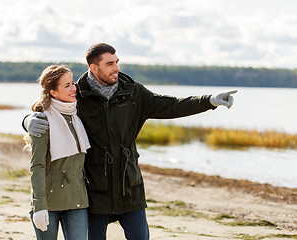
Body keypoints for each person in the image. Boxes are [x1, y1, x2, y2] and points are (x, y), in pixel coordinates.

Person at [23, 43, 237, 240]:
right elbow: (51, 109)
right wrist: (28, 120)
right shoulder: (78, 95)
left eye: (117, 62)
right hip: (95, 191)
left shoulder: (134, 93)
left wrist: (209, 100)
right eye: (109, 64)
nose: (116, 68)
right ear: (93, 68)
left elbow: (171, 105)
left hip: (130, 187)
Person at [24, 64, 91, 240]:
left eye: (73, 83)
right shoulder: (42, 121)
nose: (73, 89)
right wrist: (39, 206)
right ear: (53, 92)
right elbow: (37, 166)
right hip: (48, 202)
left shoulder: (78, 114)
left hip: (77, 201)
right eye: (67, 85)